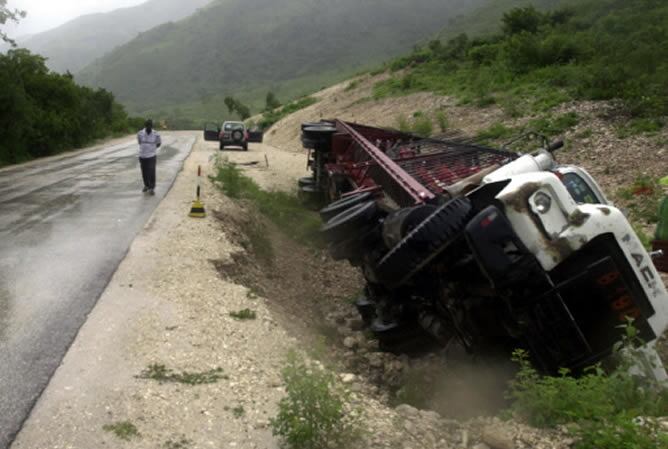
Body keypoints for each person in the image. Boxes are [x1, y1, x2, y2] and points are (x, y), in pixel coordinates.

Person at [137, 119, 162, 195]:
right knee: (144, 171)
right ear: (145, 126)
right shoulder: (140, 133)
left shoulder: (156, 134)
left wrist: (152, 148)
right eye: (147, 126)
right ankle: (146, 185)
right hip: (142, 155)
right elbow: (139, 142)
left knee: (151, 171)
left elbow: (158, 143)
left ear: (152, 126)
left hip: (151, 155)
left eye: (150, 126)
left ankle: (152, 187)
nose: (149, 127)